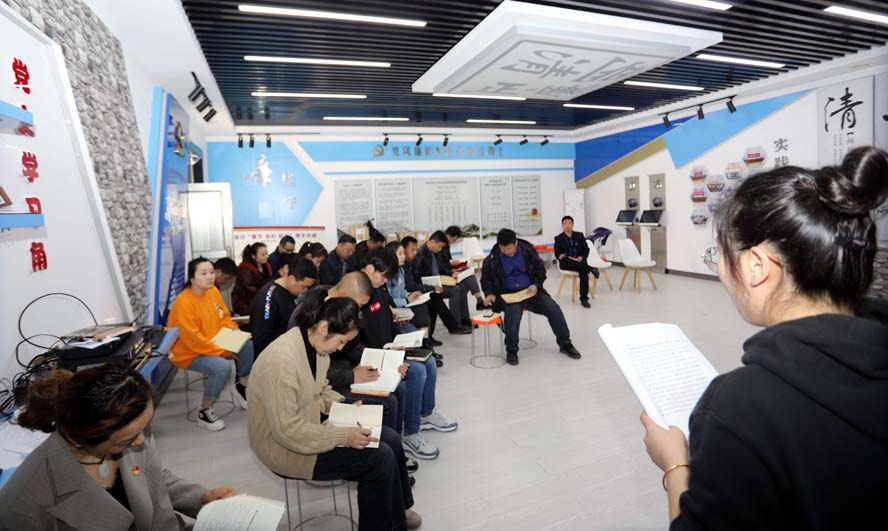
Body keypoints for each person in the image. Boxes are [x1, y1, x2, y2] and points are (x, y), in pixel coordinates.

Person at [640, 146, 888, 531]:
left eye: (720, 255)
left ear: (756, 266)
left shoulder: (737, 410)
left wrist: (676, 466)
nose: (720, 271)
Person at [248, 289, 422, 530]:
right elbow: (287, 431)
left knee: (390, 438)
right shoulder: (282, 362)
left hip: (310, 425)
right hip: (285, 447)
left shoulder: (314, 345)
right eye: (341, 341)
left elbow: (321, 390)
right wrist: (342, 435)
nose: (341, 348)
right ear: (323, 328)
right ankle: (389, 523)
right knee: (378, 460)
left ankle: (398, 511)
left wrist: (344, 407)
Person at [0, 363, 236, 530]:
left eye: (144, 428)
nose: (141, 442)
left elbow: (152, 476)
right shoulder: (20, 504)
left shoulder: (129, 431)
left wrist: (201, 497)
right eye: (127, 440)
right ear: (81, 438)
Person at [359, 248, 458, 460]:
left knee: (429, 362)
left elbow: (385, 319)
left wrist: (398, 332)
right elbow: (361, 339)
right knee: (418, 372)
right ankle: (410, 432)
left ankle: (426, 414)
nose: (386, 281)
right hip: (377, 356)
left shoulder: (377, 288)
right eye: (383, 276)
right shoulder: (359, 293)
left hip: (390, 347)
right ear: (370, 268)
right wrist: (388, 351)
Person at [168, 257, 255, 431]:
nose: (209, 276)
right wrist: (222, 352)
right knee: (222, 367)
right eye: (203, 273)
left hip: (214, 340)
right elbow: (193, 339)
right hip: (188, 351)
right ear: (192, 278)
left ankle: (242, 385)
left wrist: (233, 331)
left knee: (248, 344)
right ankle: (205, 411)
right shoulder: (183, 302)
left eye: (211, 272)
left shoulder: (213, 291)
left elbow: (224, 317)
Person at [481, 229, 582, 366]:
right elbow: (486, 280)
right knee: (513, 314)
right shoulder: (493, 258)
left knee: (553, 308)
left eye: (509, 248)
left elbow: (541, 270)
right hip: (509, 295)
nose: (506, 251)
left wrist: (536, 285)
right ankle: (511, 349)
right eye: (502, 248)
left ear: (515, 243)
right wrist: (490, 294)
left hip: (531, 292)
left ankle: (565, 343)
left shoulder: (527, 250)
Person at [402, 236, 471, 345]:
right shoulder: (416, 258)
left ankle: (434, 334)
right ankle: (450, 327)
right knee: (435, 297)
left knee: (437, 296)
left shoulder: (413, 260)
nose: (415, 252)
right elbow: (412, 284)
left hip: (426, 286)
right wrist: (431, 287)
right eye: (412, 250)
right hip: (412, 293)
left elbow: (440, 268)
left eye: (416, 249)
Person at [250, 254, 318, 356]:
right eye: (303, 286)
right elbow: (262, 339)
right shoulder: (268, 298)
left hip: (291, 349)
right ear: (291, 278)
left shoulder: (292, 292)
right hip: (273, 355)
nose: (304, 291)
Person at [417, 231, 480, 328]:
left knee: (463, 287)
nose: (440, 249)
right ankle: (455, 324)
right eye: (439, 247)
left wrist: (451, 273)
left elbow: (440, 268)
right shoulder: (421, 254)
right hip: (431, 286)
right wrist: (435, 284)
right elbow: (420, 277)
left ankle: (464, 319)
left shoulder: (433, 252)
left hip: (440, 280)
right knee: (455, 290)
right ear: (432, 242)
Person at [553, 215, 599, 308]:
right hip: (567, 262)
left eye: (569, 223)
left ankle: (584, 299)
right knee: (567, 260)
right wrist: (559, 255)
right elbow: (557, 252)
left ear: (573, 224)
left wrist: (581, 257)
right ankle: (591, 269)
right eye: (565, 224)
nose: (567, 225)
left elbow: (586, 249)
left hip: (579, 261)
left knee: (583, 272)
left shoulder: (579, 235)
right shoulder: (558, 238)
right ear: (562, 225)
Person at [442, 226, 486, 320]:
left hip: (449, 270)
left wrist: (453, 264)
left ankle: (466, 316)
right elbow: (440, 266)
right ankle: (478, 300)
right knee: (462, 286)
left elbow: (446, 261)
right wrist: (450, 270)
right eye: (454, 239)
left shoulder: (445, 245)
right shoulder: (440, 247)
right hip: (445, 274)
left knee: (468, 273)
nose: (453, 242)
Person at [231, 242, 272, 316]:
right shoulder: (245, 268)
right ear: (253, 256)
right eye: (263, 255)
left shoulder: (266, 266)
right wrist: (265, 294)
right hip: (245, 303)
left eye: (267, 254)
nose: (266, 256)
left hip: (261, 299)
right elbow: (248, 288)